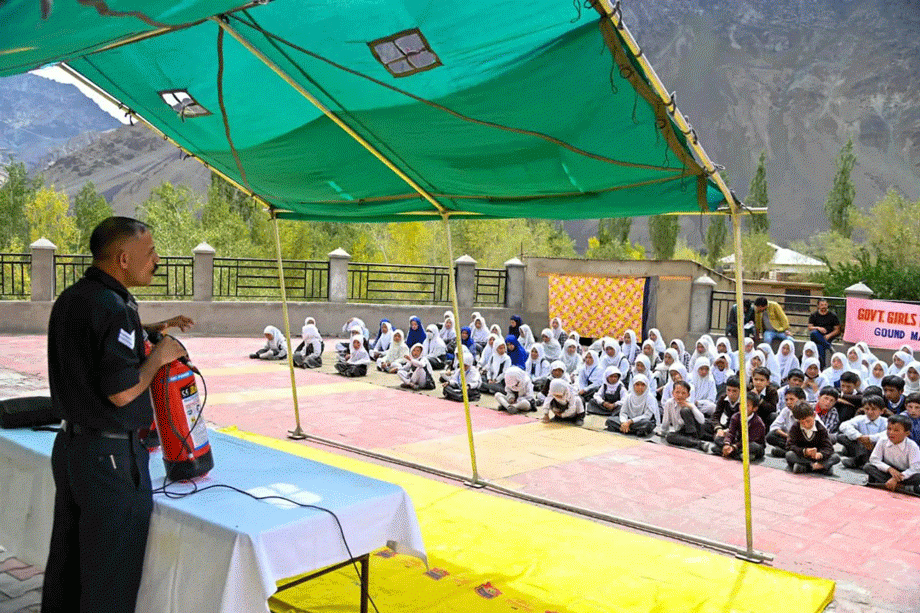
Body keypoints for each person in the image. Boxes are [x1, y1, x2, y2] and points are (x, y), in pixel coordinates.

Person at [44, 216, 192, 613]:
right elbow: (122, 391)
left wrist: (153, 326)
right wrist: (159, 356)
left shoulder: (75, 298)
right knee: (110, 576)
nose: (157, 260)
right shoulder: (114, 308)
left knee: (69, 566)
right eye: (151, 253)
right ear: (124, 258)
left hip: (72, 449)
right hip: (110, 460)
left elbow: (100, 338)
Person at [864, 414, 920, 493]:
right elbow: (874, 459)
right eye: (889, 429)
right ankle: (901, 487)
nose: (891, 433)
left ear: (907, 433)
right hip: (889, 471)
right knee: (868, 466)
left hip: (904, 474)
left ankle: (891, 484)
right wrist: (889, 469)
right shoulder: (883, 440)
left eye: (896, 430)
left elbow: (915, 468)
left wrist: (896, 478)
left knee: (918, 476)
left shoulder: (912, 446)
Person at [706, 388, 766, 461]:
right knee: (718, 439)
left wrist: (734, 447)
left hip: (751, 443)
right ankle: (738, 454)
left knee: (752, 446)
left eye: (747, 406)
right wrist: (727, 444)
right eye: (741, 404)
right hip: (738, 442)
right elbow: (731, 432)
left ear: (754, 408)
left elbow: (749, 439)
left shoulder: (758, 422)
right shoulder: (735, 417)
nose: (742, 407)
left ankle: (733, 453)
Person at [785, 401, 840, 475]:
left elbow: (828, 448)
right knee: (789, 455)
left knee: (836, 457)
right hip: (803, 457)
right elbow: (789, 446)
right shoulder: (795, 427)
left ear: (814, 415)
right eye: (802, 422)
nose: (806, 425)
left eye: (808, 421)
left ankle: (806, 467)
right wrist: (804, 451)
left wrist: (821, 454)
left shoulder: (820, 428)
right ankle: (818, 467)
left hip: (818, 458)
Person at [839, 395, 888, 468]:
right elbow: (844, 426)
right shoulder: (860, 418)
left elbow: (888, 433)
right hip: (861, 445)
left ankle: (858, 461)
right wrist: (859, 437)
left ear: (882, 411)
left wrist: (869, 438)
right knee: (841, 437)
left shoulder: (886, 421)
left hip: (877, 448)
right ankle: (862, 460)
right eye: (867, 409)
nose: (870, 412)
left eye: (874, 409)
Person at [657, 380, 705, 448]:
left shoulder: (690, 405)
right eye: (677, 392)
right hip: (681, 432)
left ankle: (692, 440)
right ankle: (698, 444)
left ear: (688, 395)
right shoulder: (669, 403)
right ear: (673, 393)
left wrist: (691, 407)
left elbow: (702, 421)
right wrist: (663, 431)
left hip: (694, 432)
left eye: (683, 393)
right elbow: (666, 420)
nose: (680, 395)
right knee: (669, 436)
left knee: (685, 410)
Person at [767, 386, 808, 457]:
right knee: (770, 436)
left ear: (801, 400)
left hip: (804, 441)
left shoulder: (809, 411)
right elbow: (774, 427)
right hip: (790, 439)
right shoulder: (786, 410)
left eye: (792, 399)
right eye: (786, 400)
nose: (788, 402)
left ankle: (788, 452)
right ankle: (791, 452)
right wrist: (788, 436)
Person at [807, 299, 841, 370]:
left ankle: (822, 367)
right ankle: (828, 346)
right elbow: (810, 327)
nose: (824, 307)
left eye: (825, 305)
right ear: (818, 306)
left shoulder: (832, 315)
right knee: (814, 333)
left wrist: (829, 335)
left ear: (827, 305)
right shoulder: (814, 315)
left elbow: (837, 330)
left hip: (828, 337)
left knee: (820, 346)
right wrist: (818, 328)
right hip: (817, 336)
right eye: (822, 305)